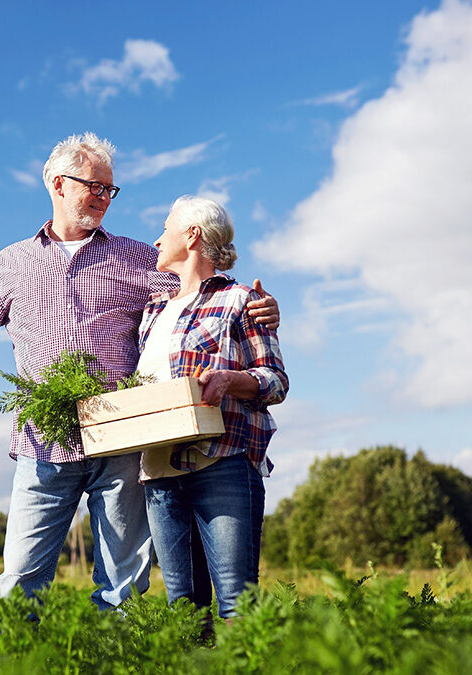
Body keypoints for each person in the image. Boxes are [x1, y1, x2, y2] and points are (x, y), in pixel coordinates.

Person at [0, 133, 280, 610]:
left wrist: (258, 307)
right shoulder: (13, 261)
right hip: (43, 439)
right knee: (21, 576)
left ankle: (115, 659)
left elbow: (199, 292)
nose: (104, 198)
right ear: (59, 184)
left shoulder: (137, 257)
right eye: (95, 186)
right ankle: (13, 659)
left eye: (110, 190)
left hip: (119, 437)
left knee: (123, 584)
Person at [137, 196, 288, 619]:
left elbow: (275, 380)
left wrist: (229, 380)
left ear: (192, 235)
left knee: (236, 608)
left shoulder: (241, 301)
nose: (156, 238)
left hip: (221, 461)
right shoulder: (152, 311)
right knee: (184, 613)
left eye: (165, 227)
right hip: (159, 472)